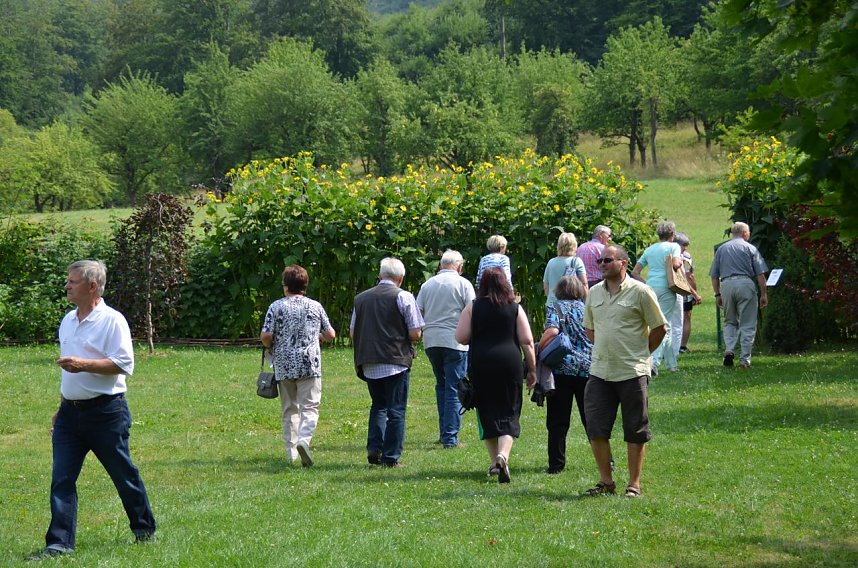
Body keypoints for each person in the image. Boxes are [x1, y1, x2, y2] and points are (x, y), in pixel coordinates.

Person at [30, 260, 156, 560]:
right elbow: (68, 372)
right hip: (69, 416)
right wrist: (61, 406)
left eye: (72, 282)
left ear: (91, 286)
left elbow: (124, 364)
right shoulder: (67, 321)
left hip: (106, 414)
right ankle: (59, 544)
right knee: (61, 478)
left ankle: (143, 528)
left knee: (122, 474)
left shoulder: (113, 321)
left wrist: (83, 365)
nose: (67, 286)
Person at [582, 246, 667, 498]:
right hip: (600, 371)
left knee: (635, 429)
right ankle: (606, 482)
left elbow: (660, 327)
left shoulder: (641, 291)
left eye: (607, 260)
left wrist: (641, 353)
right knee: (595, 428)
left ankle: (634, 484)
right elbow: (590, 329)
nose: (602, 263)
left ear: (623, 263)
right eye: (600, 260)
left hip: (632, 371)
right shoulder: (594, 292)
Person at [455, 267, 537, 483]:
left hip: (482, 363)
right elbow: (527, 341)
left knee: (487, 409)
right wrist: (532, 369)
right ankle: (503, 456)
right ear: (505, 284)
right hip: (509, 363)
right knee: (510, 409)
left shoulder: (473, 307)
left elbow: (461, 337)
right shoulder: (515, 308)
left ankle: (494, 462)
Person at [351, 258, 424, 467]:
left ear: (380, 275)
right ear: (400, 279)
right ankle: (391, 457)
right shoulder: (403, 296)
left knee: (378, 406)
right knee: (396, 411)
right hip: (395, 360)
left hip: (368, 361)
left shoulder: (361, 298)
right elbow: (415, 333)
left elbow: (353, 331)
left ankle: (375, 449)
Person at [260, 265, 336, 467]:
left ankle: (291, 453)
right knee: (310, 406)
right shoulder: (315, 306)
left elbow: (266, 335)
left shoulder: (276, 307)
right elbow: (330, 335)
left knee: (289, 409)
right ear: (305, 286)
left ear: (286, 286)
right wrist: (316, 336)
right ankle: (304, 440)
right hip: (309, 364)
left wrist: (271, 345)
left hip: (284, 365)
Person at [416, 250, 476, 449]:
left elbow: (418, 312)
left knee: (441, 385)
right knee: (454, 388)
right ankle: (450, 438)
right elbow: (472, 312)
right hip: (455, 342)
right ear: (459, 266)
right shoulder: (463, 284)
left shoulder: (427, 284)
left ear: (441, 265)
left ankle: (444, 433)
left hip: (432, 341)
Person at [537, 276, 592, 474]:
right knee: (591, 418)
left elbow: (552, 331)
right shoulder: (587, 307)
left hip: (562, 369)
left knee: (558, 421)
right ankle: (606, 460)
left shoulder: (556, 307)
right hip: (587, 368)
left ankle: (556, 464)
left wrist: (539, 348)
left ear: (558, 291)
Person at [710, 222, 769, 369]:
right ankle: (744, 359)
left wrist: (718, 294)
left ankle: (729, 349)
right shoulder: (750, 248)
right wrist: (764, 294)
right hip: (745, 284)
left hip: (727, 285)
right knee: (747, 323)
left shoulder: (722, 249)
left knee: (730, 321)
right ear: (744, 233)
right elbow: (760, 274)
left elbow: (714, 275)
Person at [631, 221, 683, 374]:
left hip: (651, 288)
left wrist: (647, 284)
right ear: (672, 234)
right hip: (667, 288)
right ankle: (653, 363)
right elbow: (675, 264)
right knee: (664, 326)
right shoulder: (674, 246)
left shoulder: (650, 249)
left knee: (661, 324)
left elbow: (635, 272)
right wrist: (680, 262)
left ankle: (672, 365)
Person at [543, 232, 588, 312]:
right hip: (572, 306)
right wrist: (587, 303)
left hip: (552, 305)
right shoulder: (577, 261)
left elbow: (546, 286)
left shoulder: (551, 262)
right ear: (574, 246)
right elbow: (584, 284)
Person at [673, 232, 702, 354]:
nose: (685, 248)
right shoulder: (684, 257)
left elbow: (691, 276)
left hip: (682, 290)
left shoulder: (673, 255)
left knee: (682, 317)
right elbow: (688, 276)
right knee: (685, 318)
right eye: (683, 245)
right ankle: (681, 346)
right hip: (684, 291)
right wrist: (694, 292)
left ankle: (680, 345)